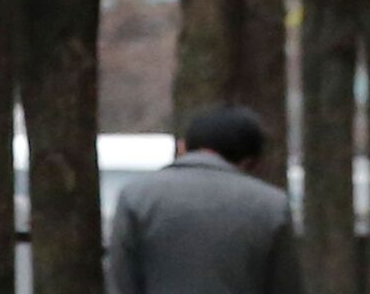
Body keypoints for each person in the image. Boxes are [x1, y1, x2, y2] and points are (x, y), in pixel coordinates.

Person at [108, 106, 305, 294]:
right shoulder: (271, 205)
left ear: (183, 146)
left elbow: (122, 281)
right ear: (250, 161)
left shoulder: (136, 197)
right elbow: (285, 285)